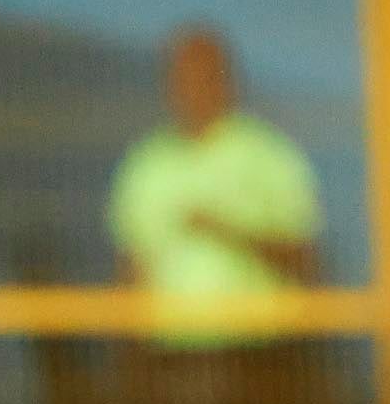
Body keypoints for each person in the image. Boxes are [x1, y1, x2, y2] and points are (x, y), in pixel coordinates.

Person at [105, 26, 321, 342]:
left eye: (206, 76)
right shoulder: (145, 164)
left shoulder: (270, 156)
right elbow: (129, 269)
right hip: (171, 355)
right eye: (183, 77)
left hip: (260, 352)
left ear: (229, 80)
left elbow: (306, 260)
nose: (194, 88)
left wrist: (227, 231)